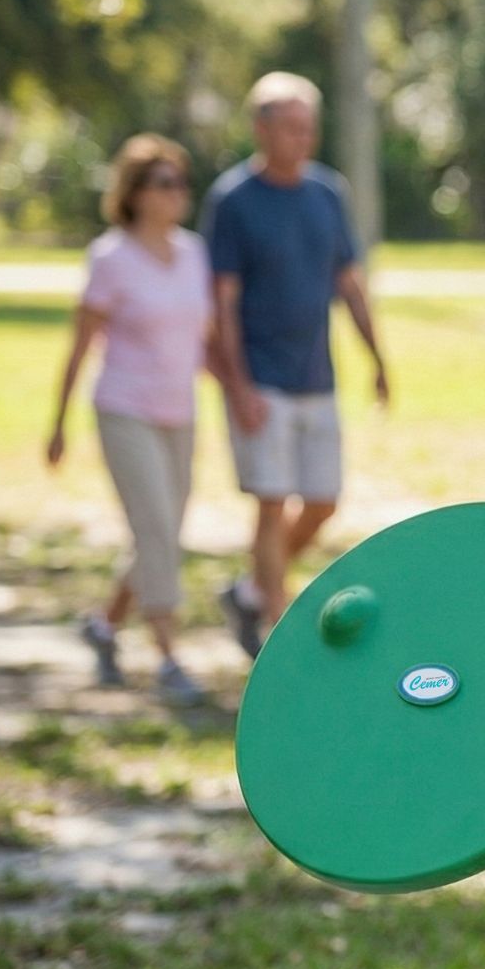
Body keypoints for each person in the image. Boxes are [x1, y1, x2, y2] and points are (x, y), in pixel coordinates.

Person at [203, 73, 389, 659]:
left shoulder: (327, 193)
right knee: (270, 499)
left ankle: (251, 591)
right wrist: (237, 387)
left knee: (323, 500)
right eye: (291, 127)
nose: (303, 138)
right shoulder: (233, 200)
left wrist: (376, 355)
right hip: (261, 378)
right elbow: (222, 304)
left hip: (317, 376)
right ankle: (274, 631)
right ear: (261, 129)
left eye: (309, 127)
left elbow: (348, 282)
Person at [45, 134, 210, 704]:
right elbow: (79, 344)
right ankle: (168, 657)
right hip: (124, 409)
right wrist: (58, 422)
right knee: (157, 531)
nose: (177, 193)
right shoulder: (110, 257)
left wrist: (237, 391)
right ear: (135, 193)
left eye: (182, 182)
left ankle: (103, 626)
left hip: (180, 412)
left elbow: (202, 339)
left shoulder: (194, 253)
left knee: (160, 534)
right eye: (164, 183)